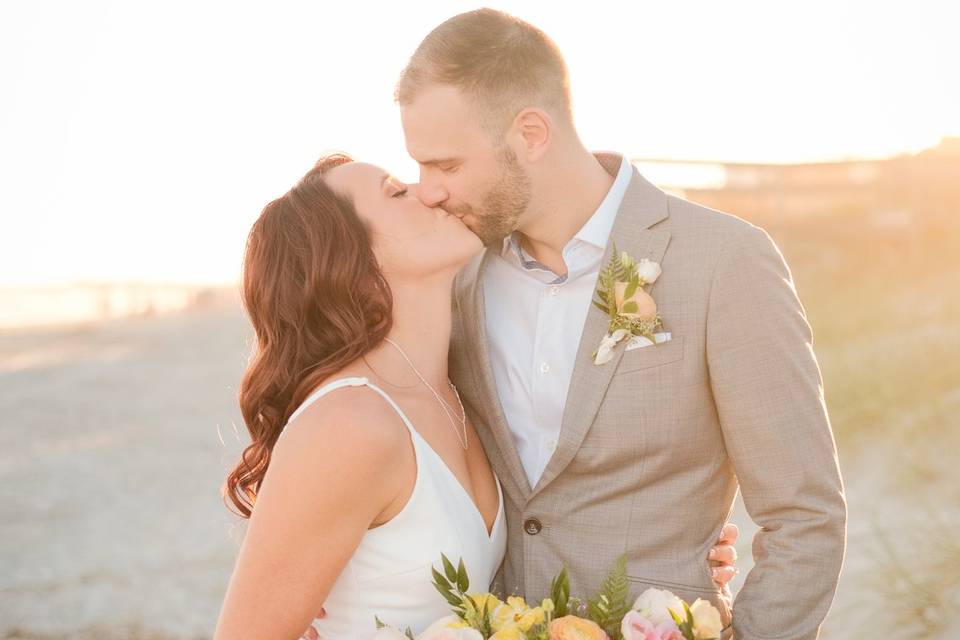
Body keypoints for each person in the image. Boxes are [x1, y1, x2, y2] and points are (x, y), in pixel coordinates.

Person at [396, 9, 846, 640]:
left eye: (445, 165)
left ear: (530, 133)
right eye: (418, 166)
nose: (427, 191)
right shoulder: (456, 280)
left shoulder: (722, 261)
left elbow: (804, 515)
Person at [213, 154, 739, 639]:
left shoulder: (459, 394)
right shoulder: (349, 423)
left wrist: (677, 542)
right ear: (350, 262)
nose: (429, 192)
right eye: (396, 193)